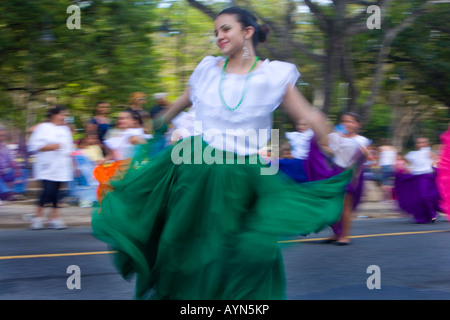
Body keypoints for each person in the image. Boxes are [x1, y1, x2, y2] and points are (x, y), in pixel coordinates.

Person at [91, 6, 353, 300]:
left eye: (226, 28)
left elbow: (309, 113)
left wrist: (334, 141)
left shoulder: (273, 75)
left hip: (245, 175)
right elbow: (177, 106)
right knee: (186, 248)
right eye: (216, 32)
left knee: (248, 254)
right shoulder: (206, 69)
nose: (219, 36)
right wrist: (152, 134)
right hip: (196, 169)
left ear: (248, 32)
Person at [323, 112, 371, 245]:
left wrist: (365, 154)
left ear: (358, 125)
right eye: (345, 121)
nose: (348, 124)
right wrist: (332, 150)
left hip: (352, 173)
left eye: (351, 121)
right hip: (336, 172)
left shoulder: (361, 140)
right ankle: (336, 233)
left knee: (346, 206)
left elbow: (364, 158)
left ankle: (345, 235)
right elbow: (322, 144)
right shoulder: (334, 136)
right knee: (334, 205)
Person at [27, 106, 74, 230]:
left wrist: (72, 163)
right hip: (47, 165)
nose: (64, 117)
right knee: (48, 191)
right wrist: (51, 146)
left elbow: (69, 148)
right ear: (53, 115)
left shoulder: (65, 129)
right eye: (61, 114)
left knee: (57, 193)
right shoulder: (43, 127)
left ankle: (54, 218)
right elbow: (33, 145)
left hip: (61, 165)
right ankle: (37, 217)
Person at [395, 137, 440, 223]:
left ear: (426, 143)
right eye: (418, 143)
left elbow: (437, 161)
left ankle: (432, 213)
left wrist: (434, 163)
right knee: (417, 199)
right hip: (415, 177)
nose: (420, 144)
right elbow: (407, 163)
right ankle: (424, 216)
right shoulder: (413, 154)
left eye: (422, 142)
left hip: (427, 177)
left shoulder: (429, 153)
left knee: (425, 196)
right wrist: (406, 168)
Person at [0, 125, 28, 201]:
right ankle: (6, 193)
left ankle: (17, 192)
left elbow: (11, 160)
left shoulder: (4, 146)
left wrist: (17, 168)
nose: (2, 138)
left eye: (3, 135)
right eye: (0, 135)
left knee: (23, 171)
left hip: (6, 172)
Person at [437, 124, 450, 221]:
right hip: (445, 163)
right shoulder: (447, 133)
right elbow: (442, 147)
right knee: (446, 189)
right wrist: (438, 159)